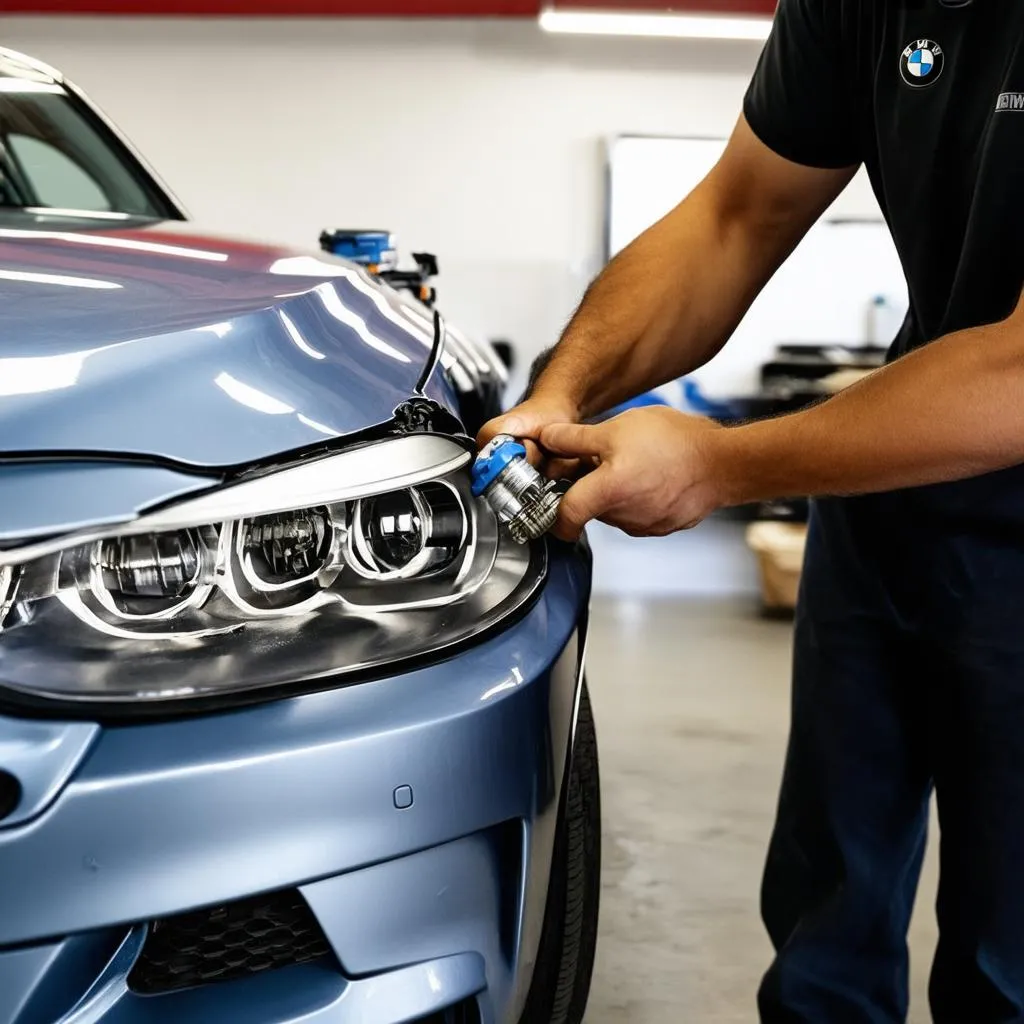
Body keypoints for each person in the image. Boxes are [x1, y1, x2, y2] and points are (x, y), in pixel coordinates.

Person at [479, 3, 1024, 1021]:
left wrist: (718, 464)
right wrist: (563, 390)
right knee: (825, 927)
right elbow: (734, 216)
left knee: (1008, 961)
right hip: (894, 492)